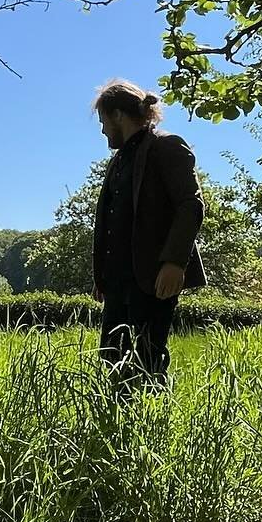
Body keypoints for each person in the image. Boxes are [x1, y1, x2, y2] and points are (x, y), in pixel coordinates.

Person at [90, 79, 205, 385]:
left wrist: (174, 262)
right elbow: (113, 220)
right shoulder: (119, 161)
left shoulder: (166, 147)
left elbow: (190, 205)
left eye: (103, 121)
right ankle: (117, 426)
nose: (102, 131)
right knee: (112, 357)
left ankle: (152, 427)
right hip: (117, 283)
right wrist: (103, 276)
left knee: (147, 359)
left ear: (117, 115)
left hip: (152, 278)